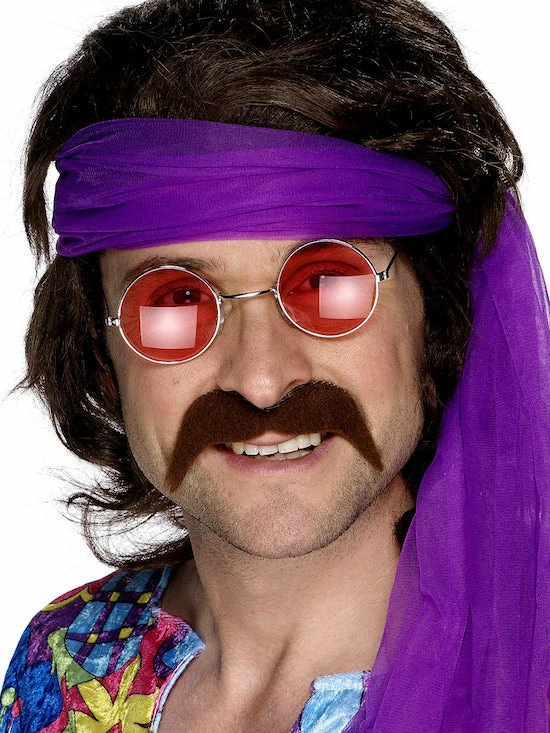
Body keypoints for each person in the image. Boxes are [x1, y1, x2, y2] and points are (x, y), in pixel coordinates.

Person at [1, 0, 549, 730]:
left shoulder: (528, 685)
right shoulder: (63, 662)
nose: (260, 379)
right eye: (176, 300)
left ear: (438, 325)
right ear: (102, 359)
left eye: (326, 285)